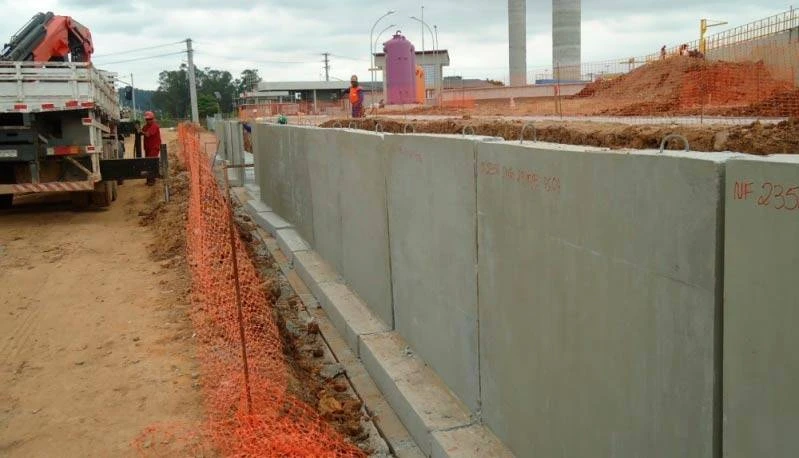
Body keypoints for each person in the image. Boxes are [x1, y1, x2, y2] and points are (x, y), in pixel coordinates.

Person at [142, 111, 161, 186]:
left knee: (151, 163)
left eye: (149, 119)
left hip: (154, 147)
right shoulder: (145, 126)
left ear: (152, 119)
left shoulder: (154, 126)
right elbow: (143, 131)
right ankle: (149, 179)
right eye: (147, 119)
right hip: (147, 148)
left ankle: (152, 180)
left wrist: (141, 131)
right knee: (147, 163)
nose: (148, 121)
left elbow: (147, 134)